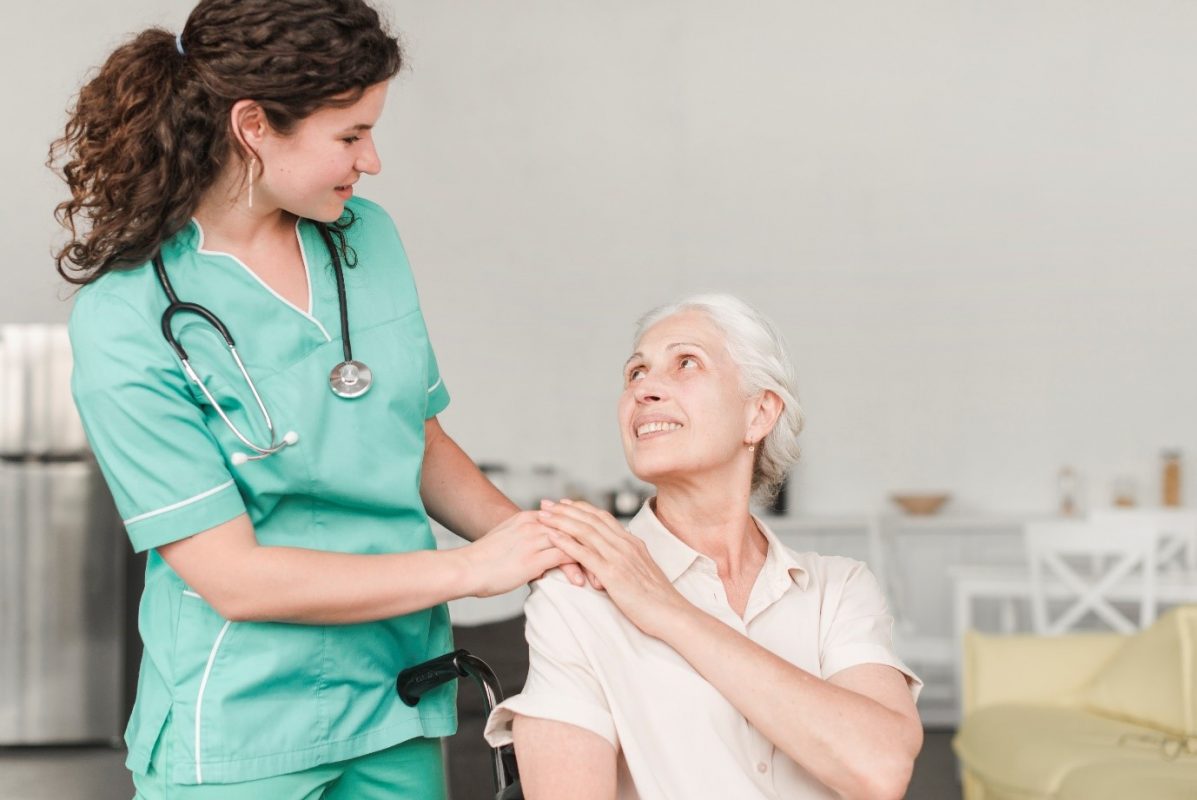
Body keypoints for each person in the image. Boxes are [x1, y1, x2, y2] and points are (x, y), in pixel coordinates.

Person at [50, 1, 582, 797]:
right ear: (254, 126)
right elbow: (234, 578)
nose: (372, 161)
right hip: (240, 725)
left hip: (394, 696)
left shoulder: (367, 239)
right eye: (349, 134)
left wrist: (538, 547)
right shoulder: (128, 319)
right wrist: (472, 569)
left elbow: (416, 436)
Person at [485, 294, 924, 800]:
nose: (645, 388)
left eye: (686, 362)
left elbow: (882, 768)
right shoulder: (576, 596)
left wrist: (668, 611)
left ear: (759, 413)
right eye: (635, 373)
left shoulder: (838, 589)